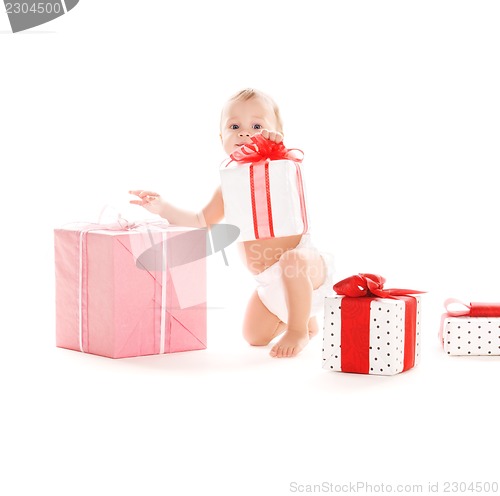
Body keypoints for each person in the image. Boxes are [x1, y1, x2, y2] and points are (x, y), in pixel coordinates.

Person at [129, 88, 334, 358]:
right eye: (234, 126)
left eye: (257, 126)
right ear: (221, 137)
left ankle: (297, 330)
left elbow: (283, 162)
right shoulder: (230, 186)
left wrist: (275, 147)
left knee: (291, 260)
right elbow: (201, 221)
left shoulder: (278, 166)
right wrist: (162, 207)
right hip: (269, 283)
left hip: (305, 269)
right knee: (254, 337)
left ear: (277, 131)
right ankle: (305, 320)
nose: (245, 132)